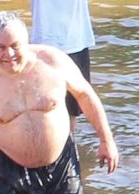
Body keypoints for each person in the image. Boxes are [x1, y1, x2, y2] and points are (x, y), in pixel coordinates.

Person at [0, 11, 118, 194]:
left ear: (27, 41)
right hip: (6, 171)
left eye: (15, 45)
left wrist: (106, 140)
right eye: (0, 47)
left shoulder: (54, 62)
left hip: (60, 164)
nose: (9, 54)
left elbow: (86, 96)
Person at [29, 0, 96, 131]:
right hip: (44, 41)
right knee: (41, 108)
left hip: (74, 40)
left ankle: (68, 146)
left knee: (72, 109)